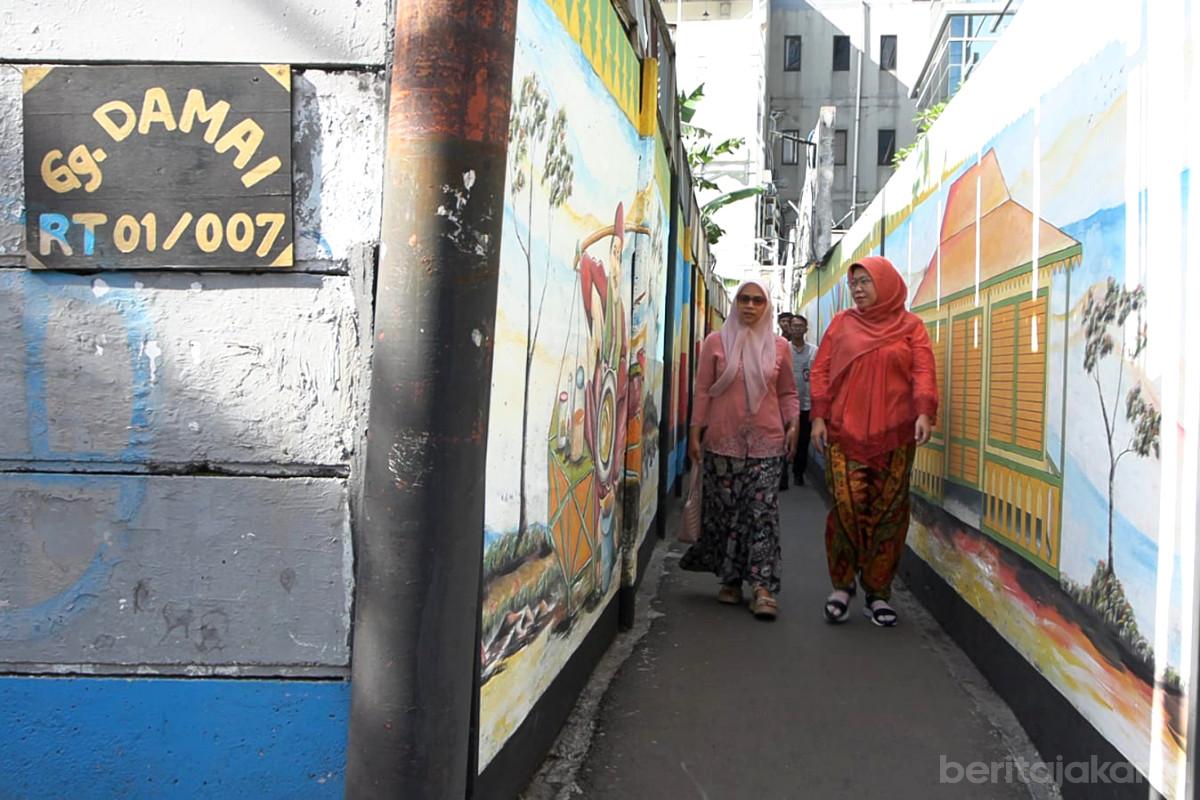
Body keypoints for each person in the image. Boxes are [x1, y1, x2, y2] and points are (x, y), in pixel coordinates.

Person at [809, 257, 937, 627]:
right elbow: (820, 371)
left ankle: (878, 593)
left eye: (866, 281)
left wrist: (924, 410)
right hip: (844, 436)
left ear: (886, 282)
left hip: (896, 435)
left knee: (889, 515)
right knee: (846, 509)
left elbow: (923, 370)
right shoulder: (842, 325)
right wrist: (818, 416)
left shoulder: (912, 327)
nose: (858, 289)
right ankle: (842, 584)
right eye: (855, 284)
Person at [680, 280, 800, 620]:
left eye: (757, 301)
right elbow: (703, 391)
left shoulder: (779, 348)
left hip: (767, 443)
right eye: (744, 299)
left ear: (767, 306)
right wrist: (694, 434)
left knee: (761, 515)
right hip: (722, 441)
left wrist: (795, 424)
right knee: (725, 513)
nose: (750, 306)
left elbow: (789, 393)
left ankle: (762, 587)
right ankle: (730, 580)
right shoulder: (715, 343)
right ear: (736, 304)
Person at [788, 314, 817, 486]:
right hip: (786, 405)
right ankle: (782, 474)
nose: (797, 329)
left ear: (806, 329)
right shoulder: (783, 349)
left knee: (803, 441)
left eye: (801, 326)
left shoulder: (814, 351)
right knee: (784, 439)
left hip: (806, 404)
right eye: (794, 326)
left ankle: (798, 472)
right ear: (790, 329)